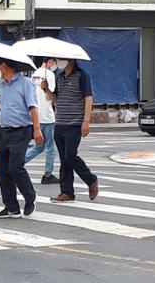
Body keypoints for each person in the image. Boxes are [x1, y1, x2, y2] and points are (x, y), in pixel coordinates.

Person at [0, 59, 44, 219]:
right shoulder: (4, 85)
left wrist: (37, 130)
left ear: (4, 66)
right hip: (4, 131)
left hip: (21, 131)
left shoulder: (25, 83)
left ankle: (31, 197)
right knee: (2, 168)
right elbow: (0, 109)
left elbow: (33, 107)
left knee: (15, 167)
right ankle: (11, 207)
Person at [43, 58, 99, 203]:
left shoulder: (81, 75)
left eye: (63, 59)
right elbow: (57, 100)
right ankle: (67, 192)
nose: (60, 61)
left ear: (71, 59)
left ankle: (91, 180)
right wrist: (46, 89)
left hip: (74, 123)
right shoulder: (60, 76)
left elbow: (88, 98)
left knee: (71, 155)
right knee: (64, 159)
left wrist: (86, 121)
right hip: (60, 123)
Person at [25, 57, 60, 185]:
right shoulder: (49, 75)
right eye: (55, 62)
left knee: (40, 146)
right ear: (50, 61)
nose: (55, 65)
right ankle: (48, 174)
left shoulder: (34, 75)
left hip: (35, 116)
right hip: (47, 115)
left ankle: (17, 164)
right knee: (50, 148)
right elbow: (48, 96)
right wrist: (47, 89)